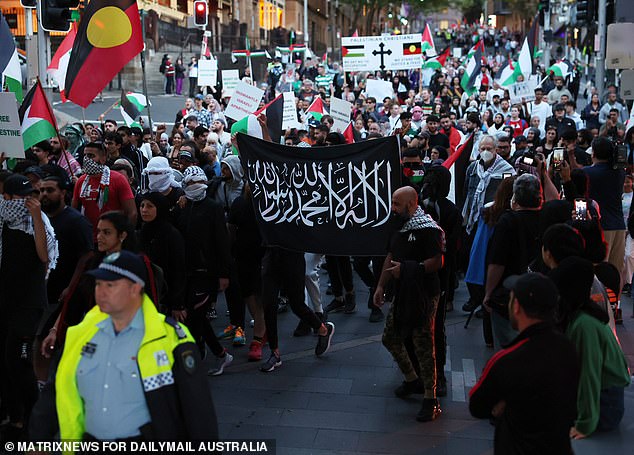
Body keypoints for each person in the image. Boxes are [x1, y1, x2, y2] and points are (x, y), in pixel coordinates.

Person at [33, 250, 218, 442]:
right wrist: (38, 439)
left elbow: (198, 410)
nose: (100, 292)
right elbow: (56, 390)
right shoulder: (81, 333)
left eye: (110, 285)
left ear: (135, 289)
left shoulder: (169, 338)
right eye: (98, 285)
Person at [469, 273, 580, 455]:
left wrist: (504, 402)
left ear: (517, 307)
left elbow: (477, 405)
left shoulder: (506, 360)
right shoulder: (568, 348)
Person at [374, 187, 444, 422]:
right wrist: (381, 286)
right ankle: (411, 379)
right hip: (402, 292)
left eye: (397, 204)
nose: (393, 208)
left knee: (423, 343)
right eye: (392, 203)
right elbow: (391, 255)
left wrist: (410, 269)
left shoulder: (428, 229)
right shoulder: (396, 225)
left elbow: (437, 261)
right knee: (390, 337)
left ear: (412, 204)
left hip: (424, 294)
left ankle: (430, 398)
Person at [0, 174, 58, 439]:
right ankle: (15, 417)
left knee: (20, 360)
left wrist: (35, 218)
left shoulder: (38, 221)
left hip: (29, 303)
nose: (26, 202)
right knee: (6, 362)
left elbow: (44, 255)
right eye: (20, 198)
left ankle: (36, 421)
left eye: (30, 198)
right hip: (5, 300)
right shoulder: (2, 219)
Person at [547, 256, 630, 439]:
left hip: (604, 405)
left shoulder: (584, 325)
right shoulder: (581, 316)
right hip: (602, 398)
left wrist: (585, 424)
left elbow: (589, 375)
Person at [484, 174, 543, 347]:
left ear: (515, 198)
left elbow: (497, 263)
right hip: (539, 291)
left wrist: (488, 293)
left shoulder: (507, 221)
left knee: (510, 348)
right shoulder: (546, 217)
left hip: (509, 295)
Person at [72, 142, 137, 238]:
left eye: (91, 156)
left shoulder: (118, 179)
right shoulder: (81, 181)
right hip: (89, 238)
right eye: (84, 155)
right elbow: (74, 211)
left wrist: (124, 238)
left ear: (103, 159)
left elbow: (132, 213)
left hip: (114, 239)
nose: (86, 159)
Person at [584, 137, 626, 275]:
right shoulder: (619, 172)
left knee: (598, 271)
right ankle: (615, 297)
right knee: (615, 272)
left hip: (600, 225)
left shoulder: (588, 173)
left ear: (593, 153)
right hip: (619, 225)